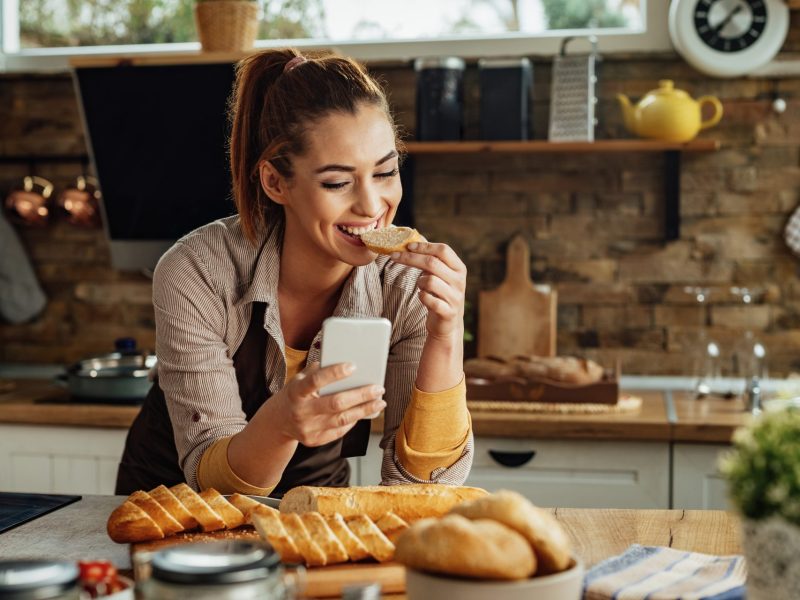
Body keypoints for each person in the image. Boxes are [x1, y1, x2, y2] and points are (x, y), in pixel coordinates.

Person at [115, 49, 473, 496]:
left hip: (313, 505)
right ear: (275, 182)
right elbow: (213, 482)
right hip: (172, 507)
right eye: (337, 183)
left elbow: (422, 487)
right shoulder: (196, 271)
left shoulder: (405, 285)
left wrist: (446, 333)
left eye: (385, 172)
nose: (371, 206)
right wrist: (282, 423)